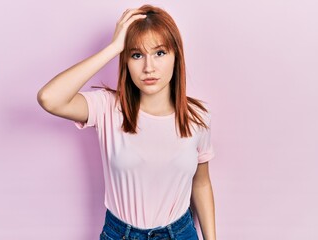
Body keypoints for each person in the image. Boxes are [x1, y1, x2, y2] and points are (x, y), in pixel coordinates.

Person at [37, 4, 216, 240]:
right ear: (126, 60)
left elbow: (201, 183)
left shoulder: (198, 117)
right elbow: (49, 98)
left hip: (180, 233)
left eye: (160, 53)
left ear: (176, 56)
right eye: (136, 54)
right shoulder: (107, 107)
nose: (148, 67)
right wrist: (113, 48)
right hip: (121, 234)